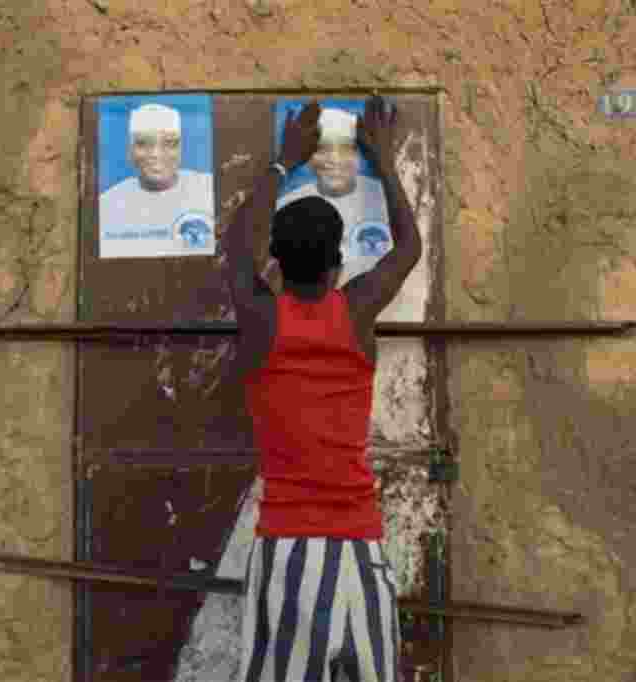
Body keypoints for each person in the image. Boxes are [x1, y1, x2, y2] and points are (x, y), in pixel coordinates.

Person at [223, 96, 423, 681]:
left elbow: (237, 254)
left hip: (286, 552)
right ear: (339, 266)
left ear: (276, 266)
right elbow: (406, 250)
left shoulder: (262, 321)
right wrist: (382, 159)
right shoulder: (356, 313)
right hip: (360, 547)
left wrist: (284, 162)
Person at [275, 106, 392, 285]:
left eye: (346, 148)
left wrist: (281, 164)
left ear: (360, 154)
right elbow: (409, 248)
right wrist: (387, 164)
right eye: (323, 149)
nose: (334, 159)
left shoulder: (386, 199)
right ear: (308, 155)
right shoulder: (287, 206)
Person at [99, 102, 214, 254]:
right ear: (130, 152)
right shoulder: (108, 205)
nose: (156, 154)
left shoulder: (208, 188)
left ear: (180, 150)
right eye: (143, 144)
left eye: (169, 144)